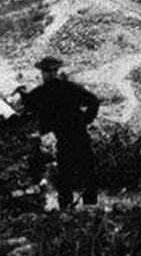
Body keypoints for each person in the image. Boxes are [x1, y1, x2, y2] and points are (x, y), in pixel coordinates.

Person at [18, 57, 100, 210]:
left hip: (67, 134)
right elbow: (93, 101)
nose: (47, 74)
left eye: (48, 71)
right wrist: (85, 119)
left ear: (51, 72)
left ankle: (68, 204)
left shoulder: (45, 91)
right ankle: (88, 203)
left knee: (68, 170)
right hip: (75, 132)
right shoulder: (69, 88)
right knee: (84, 168)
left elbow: (28, 103)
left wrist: (20, 92)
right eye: (47, 71)